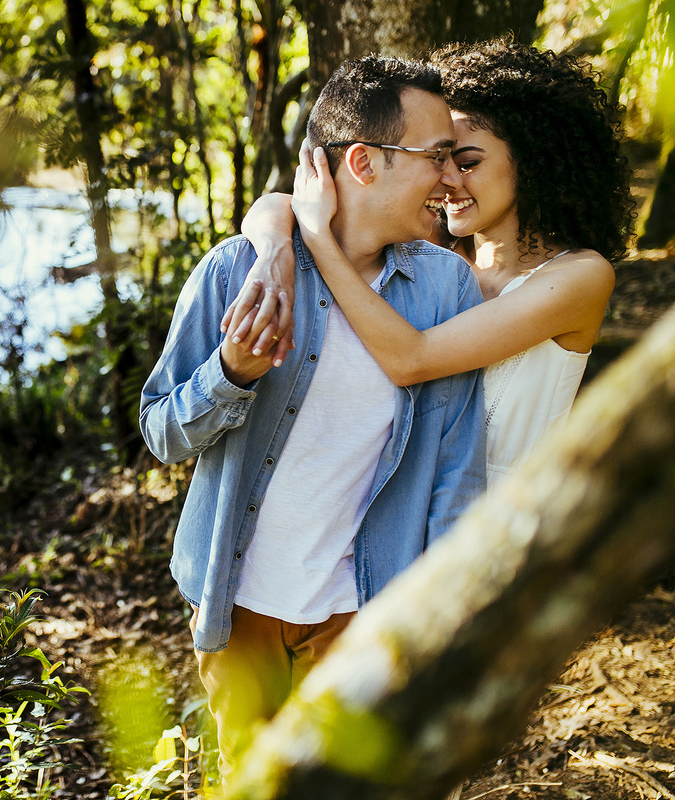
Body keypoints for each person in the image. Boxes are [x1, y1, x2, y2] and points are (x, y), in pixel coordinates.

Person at [138, 55, 487, 779]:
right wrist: (229, 375)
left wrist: (443, 617)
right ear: (363, 161)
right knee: (254, 781)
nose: (453, 180)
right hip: (238, 609)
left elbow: (457, 464)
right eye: (439, 157)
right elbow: (162, 433)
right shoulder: (238, 271)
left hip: (365, 611)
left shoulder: (446, 285)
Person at [234, 39, 634, 482]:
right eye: (438, 160)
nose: (446, 180)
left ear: (534, 160)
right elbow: (276, 204)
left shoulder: (579, 277)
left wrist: (316, 237)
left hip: (505, 526)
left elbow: (412, 360)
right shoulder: (434, 258)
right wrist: (273, 251)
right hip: (399, 521)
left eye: (466, 163)